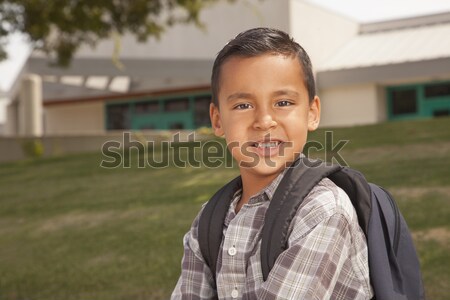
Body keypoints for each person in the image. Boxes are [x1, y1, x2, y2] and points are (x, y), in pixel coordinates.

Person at [171, 27, 373, 299]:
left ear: (312, 113)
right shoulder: (209, 221)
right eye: (243, 105)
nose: (264, 120)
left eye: (283, 102)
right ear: (217, 120)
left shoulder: (322, 210)